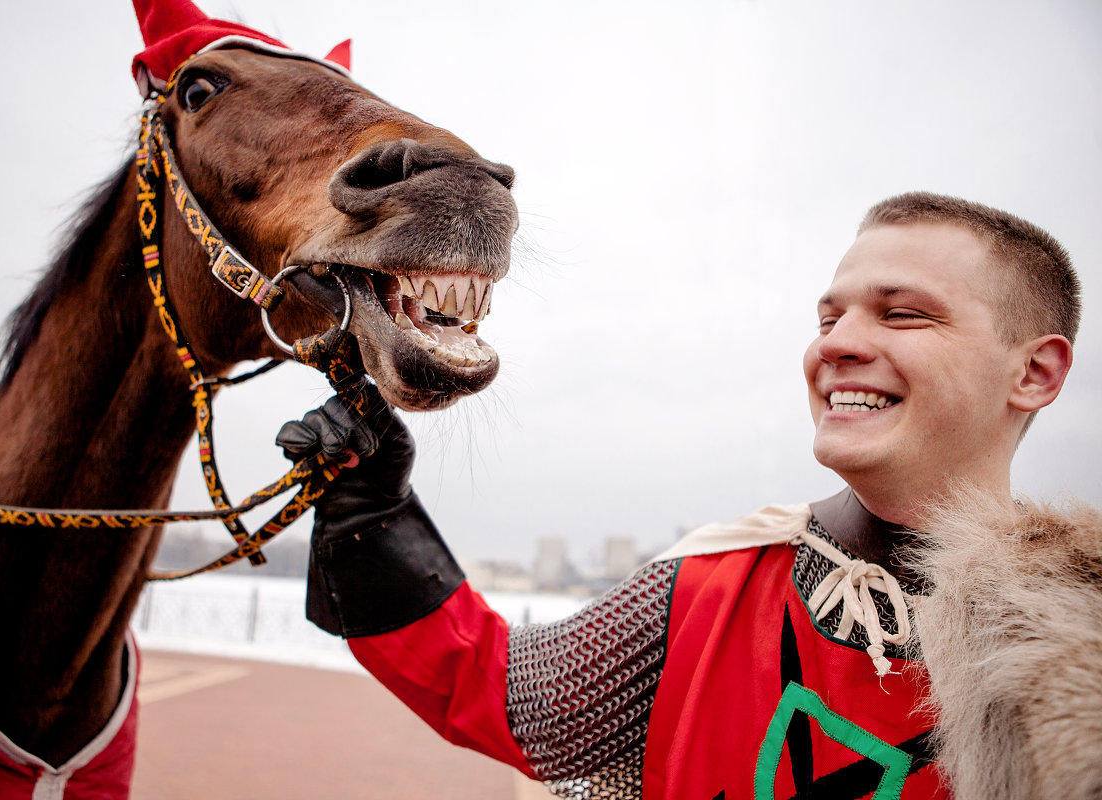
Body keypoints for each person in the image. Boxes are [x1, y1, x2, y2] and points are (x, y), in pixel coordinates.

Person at [278, 192, 1094, 799]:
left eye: (905, 314)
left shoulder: (1080, 642)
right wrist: (371, 510)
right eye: (828, 317)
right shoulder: (709, 586)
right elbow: (500, 691)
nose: (838, 344)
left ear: (1033, 372)